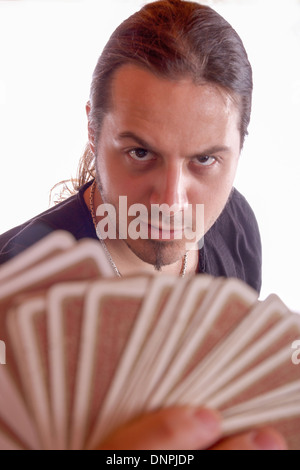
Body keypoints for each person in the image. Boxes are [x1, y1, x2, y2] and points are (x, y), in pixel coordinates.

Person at [0, 0, 285, 450]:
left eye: (205, 159)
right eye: (140, 153)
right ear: (93, 133)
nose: (170, 201)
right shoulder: (14, 283)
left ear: (239, 149)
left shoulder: (236, 224)